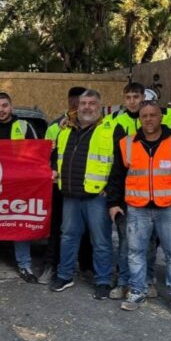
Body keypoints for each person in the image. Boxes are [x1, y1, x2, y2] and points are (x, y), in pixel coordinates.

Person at [107, 100, 171, 317]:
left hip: (169, 209)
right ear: (140, 119)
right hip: (137, 209)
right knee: (136, 253)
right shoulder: (127, 143)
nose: (149, 119)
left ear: (161, 117)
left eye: (153, 115)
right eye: (144, 115)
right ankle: (137, 291)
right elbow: (117, 176)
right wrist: (113, 203)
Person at [49, 89, 116, 299]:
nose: (87, 107)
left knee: (101, 241)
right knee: (68, 237)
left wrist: (111, 192)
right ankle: (64, 275)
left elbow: (121, 165)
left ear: (100, 106)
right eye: (83, 103)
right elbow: (55, 156)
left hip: (97, 197)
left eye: (92, 103)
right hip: (70, 195)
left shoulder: (112, 129)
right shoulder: (65, 130)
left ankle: (103, 280)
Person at [0, 92, 39, 285]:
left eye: (4, 106)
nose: (1, 110)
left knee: (20, 225)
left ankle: (24, 265)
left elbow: (36, 156)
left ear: (11, 107)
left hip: (19, 187)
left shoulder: (25, 127)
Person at [40, 86, 86, 284]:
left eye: (81, 104)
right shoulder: (55, 126)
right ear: (68, 103)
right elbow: (44, 157)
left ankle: (86, 267)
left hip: (86, 186)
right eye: (74, 104)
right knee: (58, 229)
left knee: (88, 230)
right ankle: (51, 265)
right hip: (59, 187)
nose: (78, 108)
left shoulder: (98, 126)